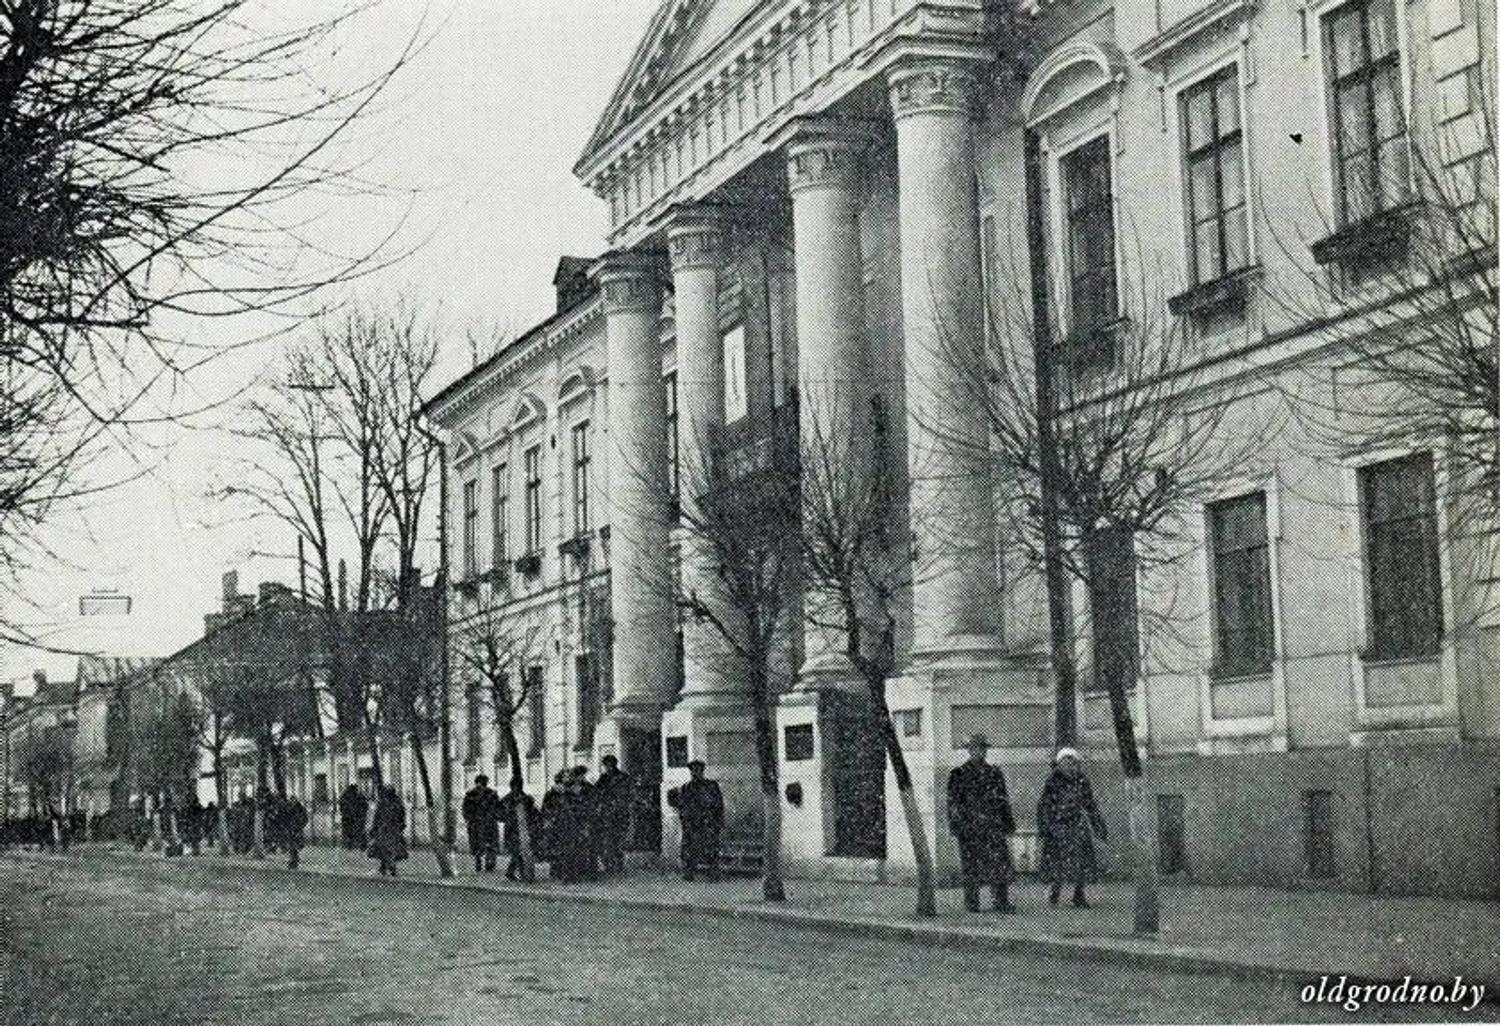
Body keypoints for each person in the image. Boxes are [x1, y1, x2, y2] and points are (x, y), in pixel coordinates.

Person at [946, 734, 1017, 912]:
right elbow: (953, 803)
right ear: (969, 751)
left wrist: (1008, 823)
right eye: (976, 748)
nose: (980, 752)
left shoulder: (994, 773)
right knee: (971, 866)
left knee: (999, 863)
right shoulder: (959, 774)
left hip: (993, 826)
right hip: (971, 827)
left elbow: (1002, 800)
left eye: (983, 748)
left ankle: (1001, 901)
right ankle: (972, 902)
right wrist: (957, 826)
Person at [1037, 747, 1107, 908]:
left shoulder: (1081, 780)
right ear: (1059, 764)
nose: (1070, 766)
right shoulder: (1053, 781)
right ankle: (1055, 891)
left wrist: (1098, 826)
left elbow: (1090, 804)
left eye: (1073, 762)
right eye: (1066, 762)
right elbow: (1043, 805)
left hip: (1076, 824)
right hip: (1057, 825)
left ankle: (1079, 894)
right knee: (1057, 862)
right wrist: (1045, 827)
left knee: (1082, 861)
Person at [668, 759, 723, 881]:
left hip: (708, 823)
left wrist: (718, 822)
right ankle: (688, 872)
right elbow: (681, 805)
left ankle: (713, 873)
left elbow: (719, 805)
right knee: (689, 849)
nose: (695, 773)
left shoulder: (711, 786)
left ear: (702, 771)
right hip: (692, 824)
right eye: (692, 770)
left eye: (697, 770)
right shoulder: (686, 788)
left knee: (711, 848)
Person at [592, 755, 633, 877]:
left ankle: (618, 865)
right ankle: (609, 866)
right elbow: (596, 792)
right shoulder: (603, 778)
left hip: (620, 814)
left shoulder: (624, 777)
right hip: (606, 815)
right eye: (606, 765)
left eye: (609, 764)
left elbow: (629, 794)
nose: (607, 767)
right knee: (607, 841)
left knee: (618, 841)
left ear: (614, 764)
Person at [498, 778, 538, 881]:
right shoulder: (507, 799)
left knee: (520, 851)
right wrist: (508, 816)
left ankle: (515, 873)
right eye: (515, 786)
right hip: (513, 829)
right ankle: (520, 874)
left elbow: (533, 812)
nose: (517, 788)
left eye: (518, 786)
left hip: (522, 828)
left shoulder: (525, 798)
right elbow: (498, 814)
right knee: (517, 851)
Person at [461, 774, 502, 873]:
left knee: (478, 843)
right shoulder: (491, 793)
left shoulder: (470, 794)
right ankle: (488, 864)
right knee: (490, 844)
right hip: (488, 823)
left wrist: (469, 820)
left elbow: (465, 810)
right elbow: (498, 808)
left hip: (477, 823)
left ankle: (479, 862)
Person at [368, 785, 408, 877]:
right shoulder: (395, 802)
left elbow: (377, 816)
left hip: (387, 829)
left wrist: (374, 828)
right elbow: (402, 816)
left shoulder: (384, 802)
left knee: (387, 848)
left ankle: (389, 867)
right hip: (389, 829)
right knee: (387, 848)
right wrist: (401, 826)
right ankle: (386, 867)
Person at [273, 792, 309, 869]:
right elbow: (285, 818)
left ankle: (294, 861)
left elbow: (305, 819)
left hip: (297, 829)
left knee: (294, 846)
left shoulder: (300, 808)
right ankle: (293, 861)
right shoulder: (288, 808)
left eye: (294, 800)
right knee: (292, 846)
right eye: (291, 800)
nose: (292, 801)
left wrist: (300, 826)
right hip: (291, 829)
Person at [339, 783, 369, 851]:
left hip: (349, 817)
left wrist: (345, 813)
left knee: (350, 832)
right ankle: (361, 846)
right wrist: (362, 814)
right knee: (359, 831)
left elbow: (341, 806)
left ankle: (350, 845)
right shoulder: (358, 796)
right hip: (355, 817)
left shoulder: (345, 796)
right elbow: (365, 806)